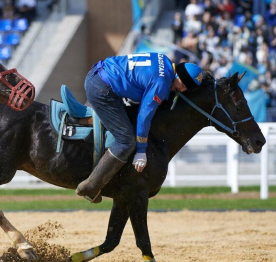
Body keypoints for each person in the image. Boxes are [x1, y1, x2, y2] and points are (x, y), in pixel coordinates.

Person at [76, 54, 203, 202]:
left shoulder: (164, 60)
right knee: (126, 141)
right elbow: (144, 116)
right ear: (179, 76)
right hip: (102, 88)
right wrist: (141, 150)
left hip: (100, 74)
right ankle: (91, 186)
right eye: (184, 85)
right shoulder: (161, 83)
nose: (182, 90)